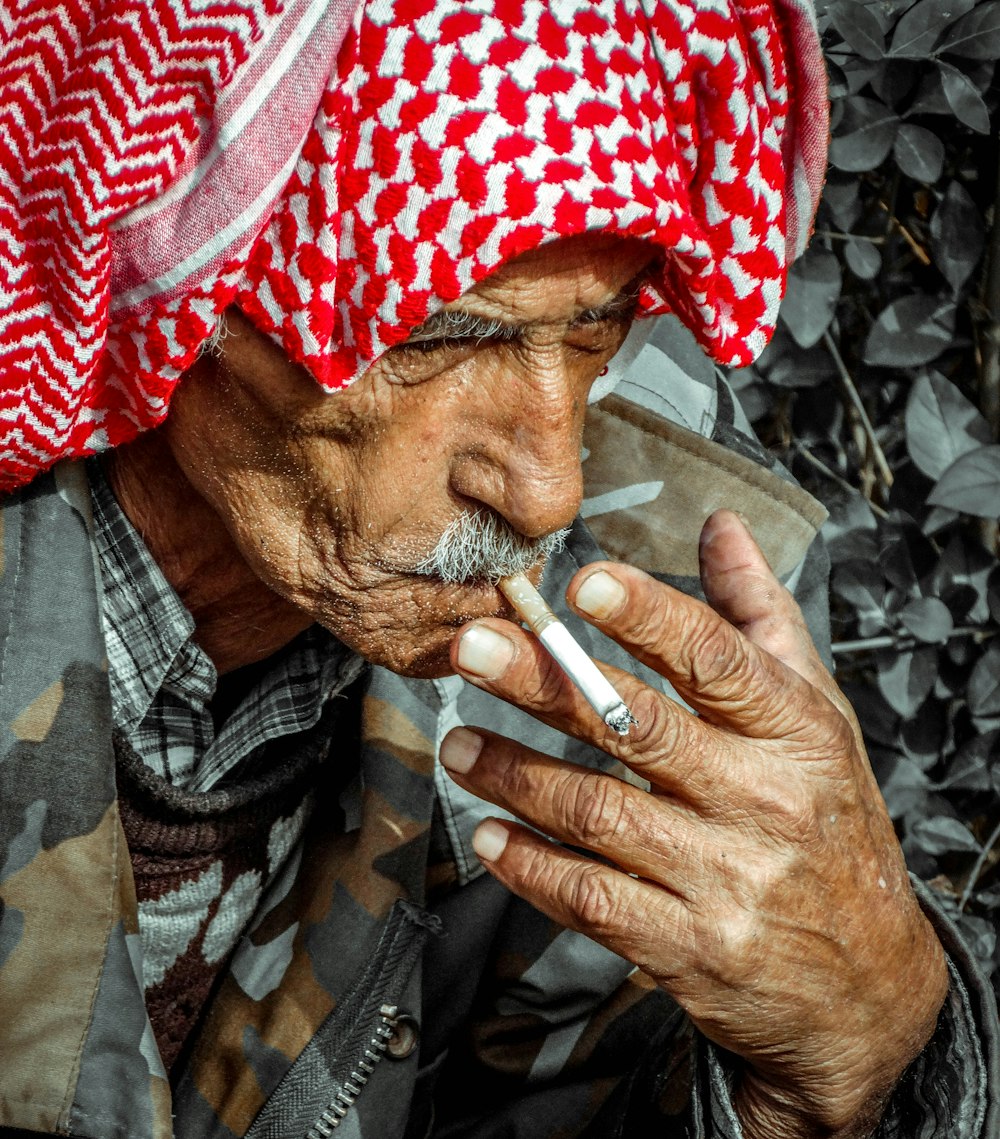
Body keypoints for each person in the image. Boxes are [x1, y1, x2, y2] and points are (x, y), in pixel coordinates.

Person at [0, 2, 996, 1138]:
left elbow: (572, 1097)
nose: (548, 486)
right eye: (438, 337)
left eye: (596, 327)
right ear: (175, 274)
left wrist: (861, 1055)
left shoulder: (655, 572)